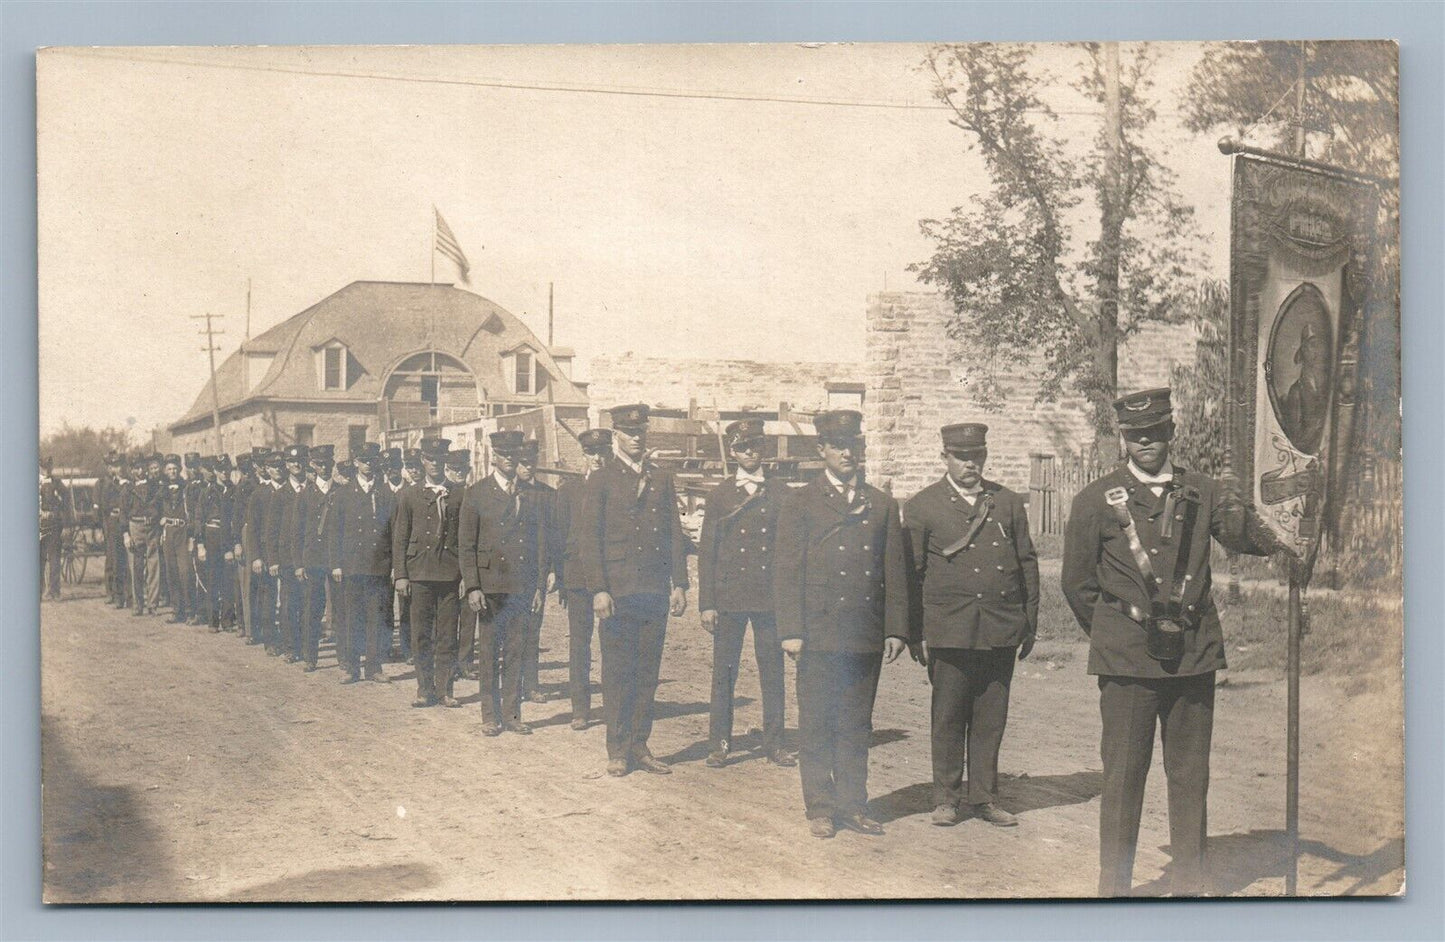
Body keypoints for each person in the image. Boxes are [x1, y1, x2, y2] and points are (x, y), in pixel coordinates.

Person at [1062, 387, 1292, 897]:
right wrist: (1117, 636)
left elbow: (1241, 535)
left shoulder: (1202, 491)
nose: (1145, 442)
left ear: (1171, 432)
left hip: (1192, 654)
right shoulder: (1095, 499)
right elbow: (1077, 584)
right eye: (1135, 435)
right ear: (1124, 439)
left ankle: (1190, 882)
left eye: (1155, 432)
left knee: (1190, 774)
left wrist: (1287, 535)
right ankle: (1115, 889)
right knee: (1123, 776)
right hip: (1126, 660)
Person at [773, 409, 909, 839]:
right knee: (816, 721)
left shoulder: (881, 504)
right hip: (816, 632)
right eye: (838, 445)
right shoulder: (800, 503)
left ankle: (853, 804)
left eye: (853, 444)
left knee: (856, 723)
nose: (847, 453)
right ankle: (820, 806)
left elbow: (895, 570)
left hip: (863, 633)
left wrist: (895, 627)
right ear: (822, 450)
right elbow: (786, 570)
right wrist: (790, 629)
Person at [902, 422, 1038, 828]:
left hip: (999, 626)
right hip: (949, 628)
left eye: (977, 456)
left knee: (991, 716)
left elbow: (1026, 563)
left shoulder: (1008, 503)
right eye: (962, 457)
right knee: (948, 715)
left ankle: (984, 797)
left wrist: (1029, 622)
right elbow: (913, 573)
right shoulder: (923, 506)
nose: (970, 465)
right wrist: (915, 631)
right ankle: (946, 798)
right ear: (944, 457)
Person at [579, 404, 690, 777]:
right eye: (629, 433)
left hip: (653, 591)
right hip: (617, 593)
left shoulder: (661, 479)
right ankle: (618, 748)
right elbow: (589, 540)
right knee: (617, 671)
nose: (636, 437)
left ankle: (640, 745)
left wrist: (680, 583)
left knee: (647, 672)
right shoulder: (601, 479)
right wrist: (598, 589)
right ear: (616, 436)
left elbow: (675, 533)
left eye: (641, 431)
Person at [697, 418, 794, 768]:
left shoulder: (782, 493)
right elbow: (707, 551)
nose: (750, 452)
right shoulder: (720, 495)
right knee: (724, 671)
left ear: (764, 449)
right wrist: (706, 603)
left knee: (772, 670)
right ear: (733, 451)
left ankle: (775, 743)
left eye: (755, 445)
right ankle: (719, 743)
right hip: (729, 597)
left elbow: (790, 552)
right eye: (742, 446)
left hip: (769, 598)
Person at [460, 431, 546, 735]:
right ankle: (489, 715)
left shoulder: (529, 493)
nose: (510, 459)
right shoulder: (478, 492)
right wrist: (473, 586)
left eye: (514, 454)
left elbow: (538, 543)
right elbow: (466, 544)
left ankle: (511, 714)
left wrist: (538, 587)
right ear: (494, 456)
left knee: (515, 650)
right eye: (504, 454)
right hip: (491, 586)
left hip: (521, 585)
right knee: (489, 652)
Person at [392, 437, 464, 708]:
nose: (435, 464)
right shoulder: (409, 495)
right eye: (430, 459)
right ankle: (424, 688)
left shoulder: (458, 493)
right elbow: (401, 536)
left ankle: (446, 689)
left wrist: (466, 576)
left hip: (449, 573)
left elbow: (465, 538)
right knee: (422, 634)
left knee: (448, 634)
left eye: (440, 459)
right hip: (419, 573)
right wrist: (401, 574)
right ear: (422, 460)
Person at [550, 428, 611, 730]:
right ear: (583, 455)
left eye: (603, 451)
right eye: (592, 452)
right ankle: (581, 709)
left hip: (611, 581)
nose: (598, 458)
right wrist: (561, 579)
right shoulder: (569, 491)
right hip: (577, 578)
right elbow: (561, 536)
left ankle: (612, 706)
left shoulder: (618, 487)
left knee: (612, 643)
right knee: (579, 645)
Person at [329, 442, 394, 684]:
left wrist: (394, 564)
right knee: (352, 617)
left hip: (378, 565)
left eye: (373, 460)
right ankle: (352, 667)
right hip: (352, 567)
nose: (369, 464)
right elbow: (334, 531)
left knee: (376, 617)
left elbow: (393, 530)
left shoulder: (385, 492)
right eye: (364, 460)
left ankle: (374, 667)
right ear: (356, 462)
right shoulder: (344, 494)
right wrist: (335, 563)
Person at [516, 438, 556, 702]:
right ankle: (511, 684)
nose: (527, 468)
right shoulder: (507, 491)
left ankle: (531, 684)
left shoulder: (547, 494)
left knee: (532, 630)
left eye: (531, 463)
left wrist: (552, 570)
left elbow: (555, 536)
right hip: (508, 573)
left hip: (536, 572)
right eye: (522, 463)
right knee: (510, 631)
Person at [293, 444, 339, 672]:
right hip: (312, 559)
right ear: (312, 465)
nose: (323, 468)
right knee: (312, 609)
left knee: (340, 608)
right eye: (319, 464)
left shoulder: (341, 491)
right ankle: (310, 657)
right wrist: (299, 564)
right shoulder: (305, 495)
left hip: (337, 559)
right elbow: (297, 531)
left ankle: (344, 658)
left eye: (327, 463)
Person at [269, 445, 309, 662]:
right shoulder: (280, 494)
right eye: (292, 462)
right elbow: (272, 530)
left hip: (307, 556)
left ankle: (305, 647)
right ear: (286, 465)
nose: (297, 465)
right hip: (286, 559)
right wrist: (273, 559)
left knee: (307, 604)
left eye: (301, 460)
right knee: (288, 604)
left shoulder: (311, 490)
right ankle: (290, 647)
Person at [445, 449, 479, 683]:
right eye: (455, 470)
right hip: (446, 563)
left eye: (463, 470)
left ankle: (465, 661)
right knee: (446, 617)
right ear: (447, 470)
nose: (460, 474)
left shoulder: (473, 495)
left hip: (469, 562)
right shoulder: (442, 493)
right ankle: (447, 663)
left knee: (469, 615)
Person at [197, 455, 238, 632]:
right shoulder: (207, 492)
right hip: (212, 535)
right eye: (221, 470)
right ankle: (213, 620)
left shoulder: (235, 491)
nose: (224, 473)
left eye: (227, 469)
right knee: (213, 578)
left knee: (229, 579)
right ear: (214, 471)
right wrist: (200, 545)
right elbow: (199, 518)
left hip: (228, 534)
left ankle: (227, 619)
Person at [158, 455, 196, 624]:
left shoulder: (186, 488)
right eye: (169, 469)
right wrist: (160, 519)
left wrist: (192, 534)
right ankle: (176, 610)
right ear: (165, 471)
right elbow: (152, 507)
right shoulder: (161, 489)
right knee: (171, 571)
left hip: (183, 531)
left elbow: (194, 511)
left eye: (175, 469)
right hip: (168, 532)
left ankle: (189, 611)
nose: (172, 472)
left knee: (185, 571)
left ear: (179, 470)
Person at [383, 448, 413, 664]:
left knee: (407, 606)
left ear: (400, 466)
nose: (391, 471)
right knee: (384, 604)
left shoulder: (412, 491)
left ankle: (408, 648)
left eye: (394, 466)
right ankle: (385, 648)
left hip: (406, 558)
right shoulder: (379, 491)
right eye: (386, 467)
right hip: (383, 558)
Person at [123, 455, 162, 616]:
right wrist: (126, 534)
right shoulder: (127, 489)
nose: (139, 471)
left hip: (151, 527)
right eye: (135, 469)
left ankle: (152, 604)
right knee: (136, 566)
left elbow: (159, 506)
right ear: (131, 471)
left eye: (141, 468)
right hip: (134, 527)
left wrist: (155, 519)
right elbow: (123, 513)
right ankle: (138, 604)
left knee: (153, 566)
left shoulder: (154, 486)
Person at [97, 450, 130, 608]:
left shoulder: (127, 483)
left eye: (117, 466)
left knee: (127, 560)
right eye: (111, 466)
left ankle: (129, 594)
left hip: (125, 522)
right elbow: (101, 506)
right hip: (111, 523)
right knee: (114, 560)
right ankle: (116, 594)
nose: (114, 469)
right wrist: (101, 529)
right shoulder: (103, 484)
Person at [39, 459, 69, 601]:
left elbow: (66, 499)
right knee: (38, 559)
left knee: (54, 558)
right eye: (44, 468)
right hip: (38, 525)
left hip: (53, 524)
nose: (47, 470)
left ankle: (55, 591)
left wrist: (61, 515)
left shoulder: (57, 483)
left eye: (49, 467)